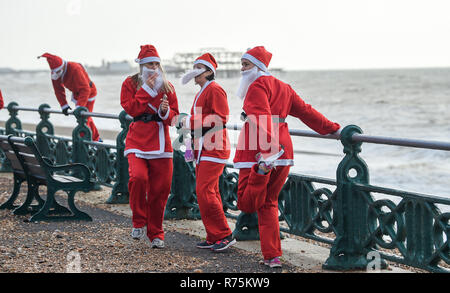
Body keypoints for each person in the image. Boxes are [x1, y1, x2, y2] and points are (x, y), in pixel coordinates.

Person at [233, 46, 340, 268]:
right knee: (269, 203)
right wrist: (333, 129)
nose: (242, 69)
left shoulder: (257, 86)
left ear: (258, 66)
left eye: (246, 64)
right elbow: (306, 112)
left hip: (259, 151)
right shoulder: (284, 87)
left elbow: (261, 116)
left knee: (246, 201)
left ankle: (260, 171)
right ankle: (272, 256)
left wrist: (267, 152)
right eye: (241, 64)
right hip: (283, 150)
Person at [120, 44, 179, 248]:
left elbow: (174, 118)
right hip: (137, 140)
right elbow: (132, 108)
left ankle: (156, 234)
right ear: (141, 66)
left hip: (161, 143)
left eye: (156, 63)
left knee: (160, 191)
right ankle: (138, 221)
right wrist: (146, 89)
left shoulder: (168, 87)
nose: (153, 67)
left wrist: (165, 112)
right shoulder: (130, 83)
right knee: (138, 178)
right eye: (149, 64)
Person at [180, 53, 236, 252]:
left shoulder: (215, 89)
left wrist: (189, 122)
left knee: (205, 191)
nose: (194, 71)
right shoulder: (202, 91)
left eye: (199, 68)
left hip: (214, 147)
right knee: (209, 192)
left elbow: (221, 118)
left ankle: (224, 234)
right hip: (203, 148)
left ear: (209, 71)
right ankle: (214, 235)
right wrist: (189, 151)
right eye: (194, 67)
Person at [38, 53, 101, 142]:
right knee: (83, 118)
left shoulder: (75, 69)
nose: (57, 74)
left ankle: (92, 140)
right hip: (77, 94)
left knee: (85, 118)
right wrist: (64, 105)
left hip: (89, 92)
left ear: (63, 66)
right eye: (55, 72)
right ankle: (93, 140)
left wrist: (79, 106)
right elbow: (58, 90)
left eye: (58, 72)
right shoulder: (56, 73)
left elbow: (85, 89)